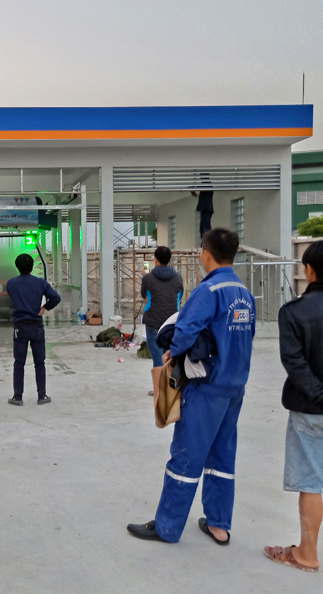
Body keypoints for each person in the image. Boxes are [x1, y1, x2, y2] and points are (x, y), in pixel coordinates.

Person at [127, 228, 255, 544]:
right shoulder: (244, 294)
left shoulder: (209, 291)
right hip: (235, 386)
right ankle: (219, 524)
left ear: (206, 254)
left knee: (186, 455)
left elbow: (184, 329)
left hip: (206, 385)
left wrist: (175, 350)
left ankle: (168, 526)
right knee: (223, 456)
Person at [264, 240, 323, 573]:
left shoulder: (293, 312)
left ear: (309, 270)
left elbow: (295, 365)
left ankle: (307, 553)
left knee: (310, 483)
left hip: (311, 410)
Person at [5, 253, 61, 406]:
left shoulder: (11, 284)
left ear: (18, 267)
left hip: (20, 327)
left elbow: (12, 297)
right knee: (39, 362)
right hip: (37, 327)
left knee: (19, 362)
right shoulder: (40, 283)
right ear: (32, 267)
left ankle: (18, 397)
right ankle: (42, 396)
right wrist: (44, 307)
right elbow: (56, 298)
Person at [141, 246, 184, 393]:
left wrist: (143, 275)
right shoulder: (178, 277)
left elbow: (144, 295)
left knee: (157, 356)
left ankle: (159, 389)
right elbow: (179, 295)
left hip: (153, 321)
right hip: (172, 322)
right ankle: (171, 386)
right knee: (170, 355)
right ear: (170, 260)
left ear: (155, 259)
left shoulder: (147, 278)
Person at [192, 173, 214, 239]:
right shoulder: (206, 185)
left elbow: (198, 186)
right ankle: (205, 241)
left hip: (206, 208)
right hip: (205, 208)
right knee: (203, 227)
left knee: (205, 227)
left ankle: (207, 241)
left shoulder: (207, 185)